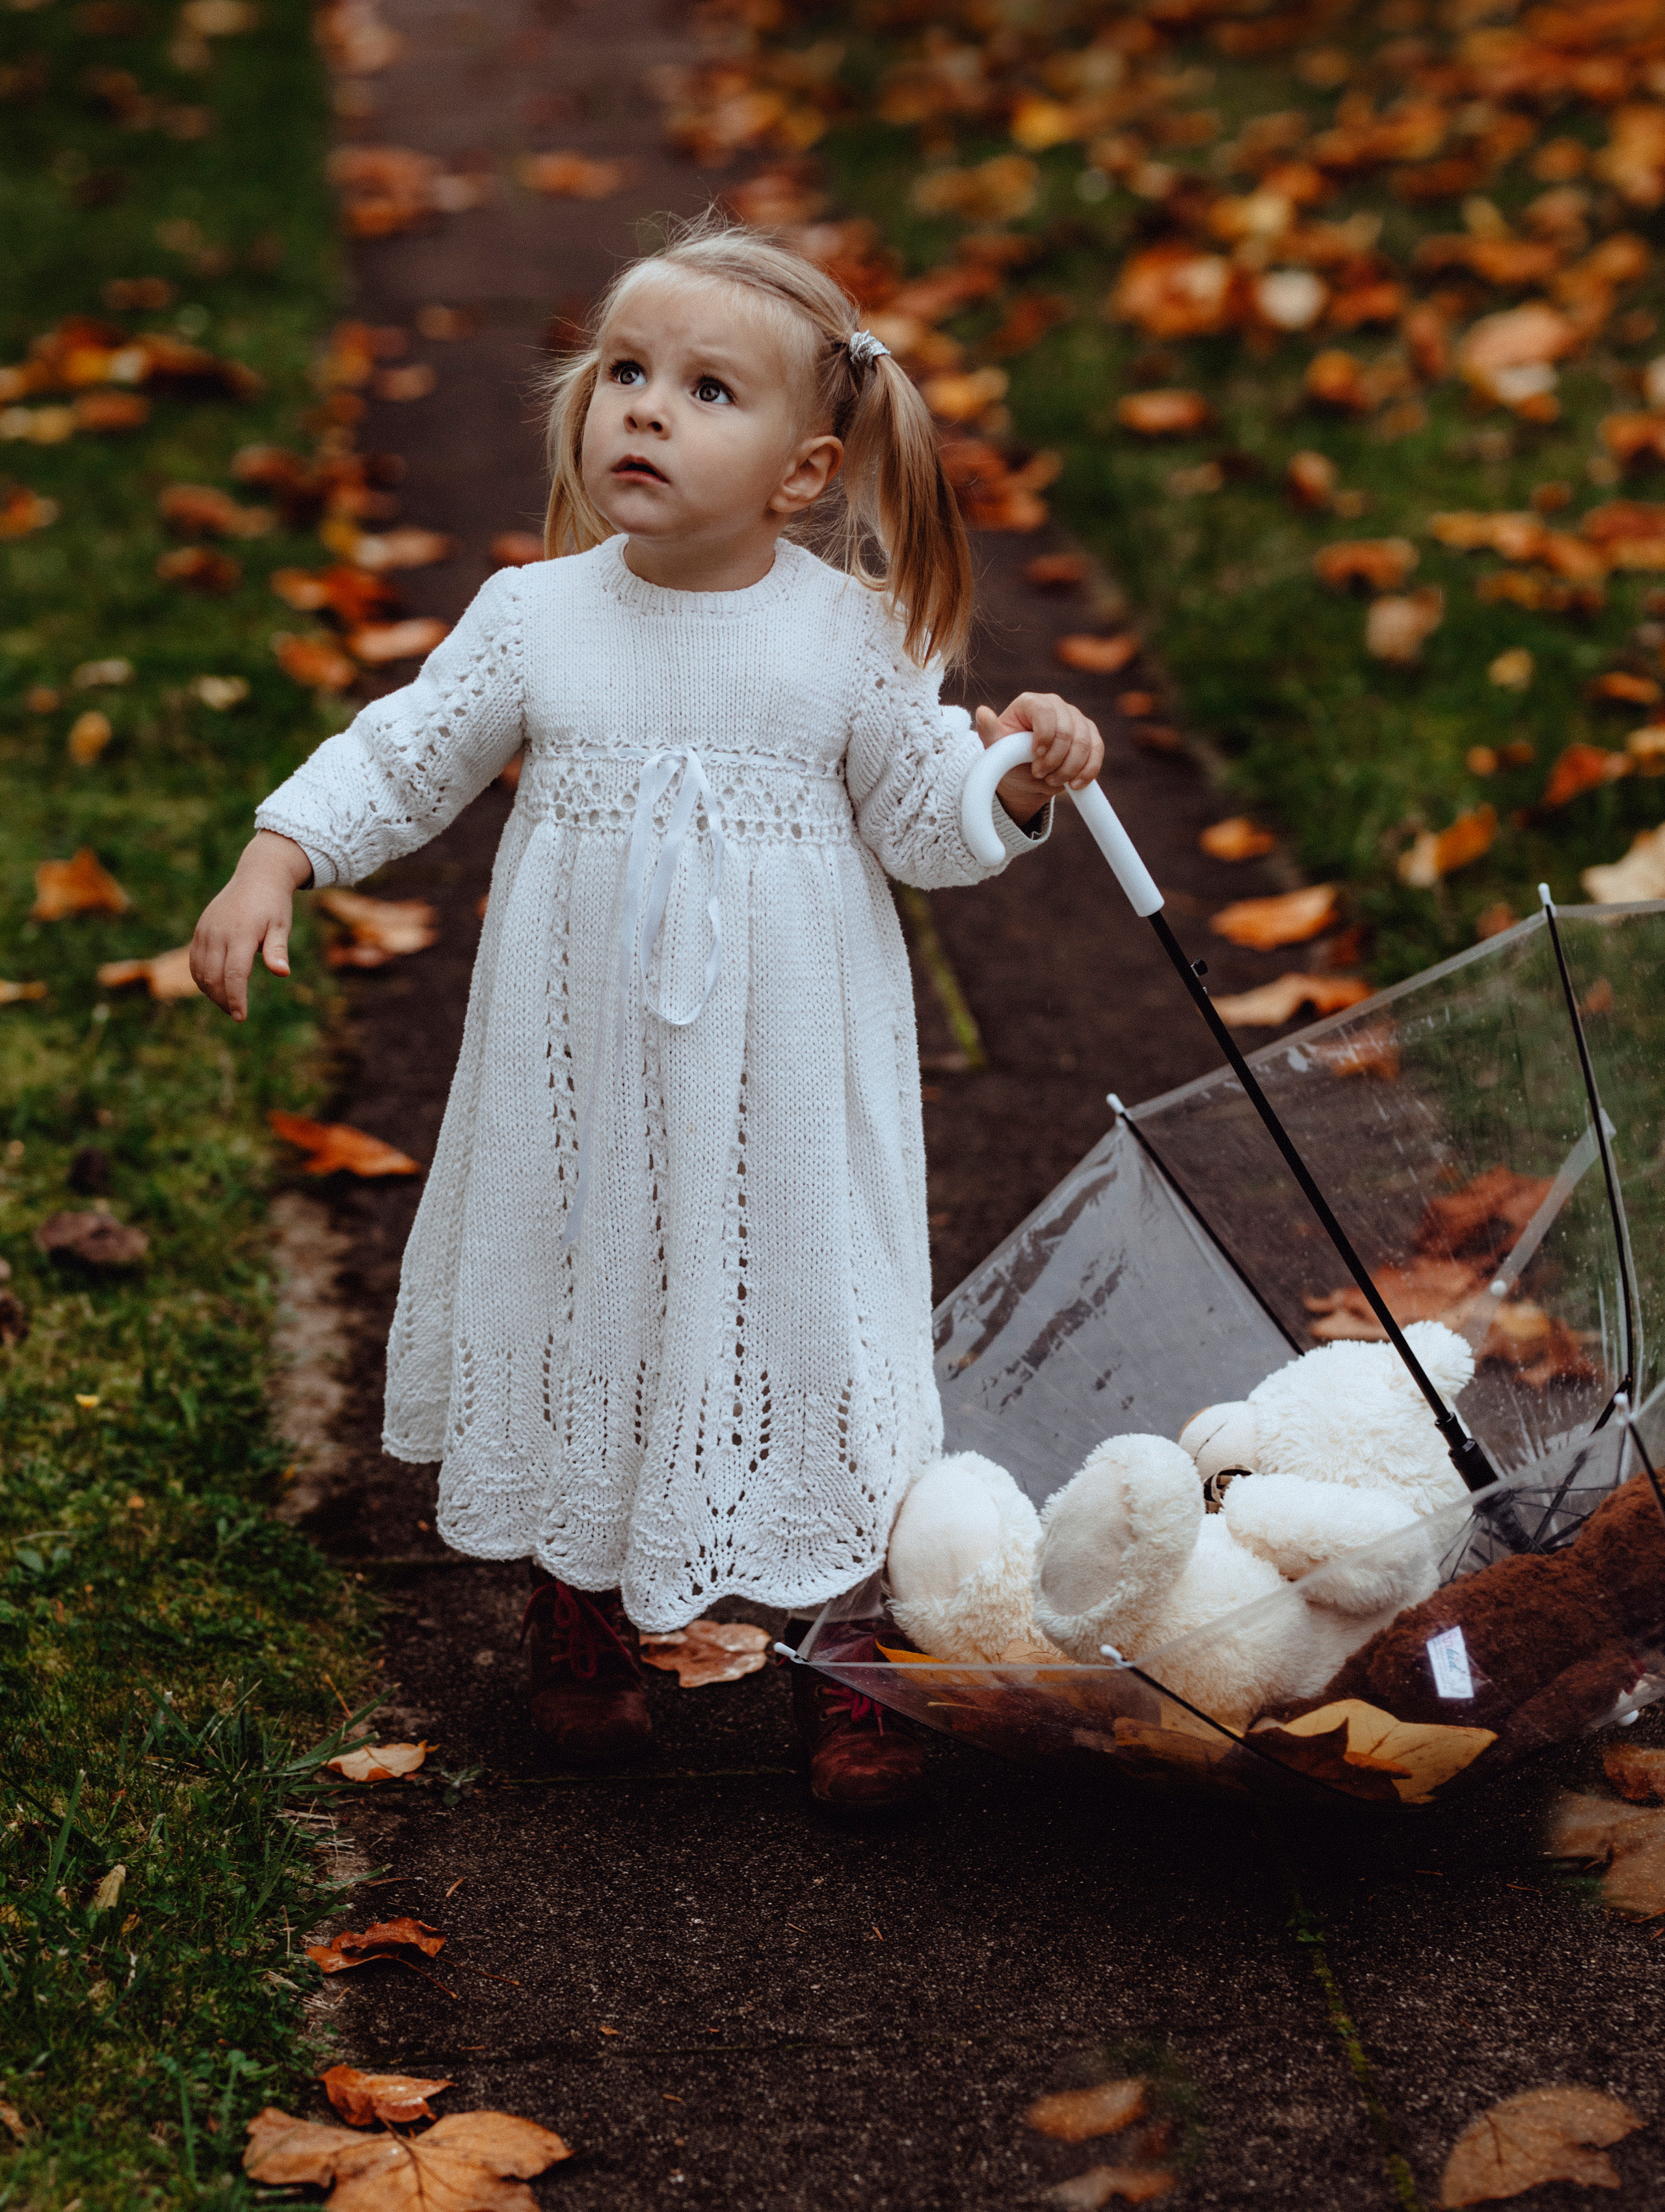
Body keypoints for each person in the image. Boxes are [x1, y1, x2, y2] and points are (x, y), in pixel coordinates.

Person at [191, 213, 1103, 1814]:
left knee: (818, 1305)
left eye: (702, 389)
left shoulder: (849, 637)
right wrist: (282, 850)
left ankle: (850, 1633)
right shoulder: (534, 619)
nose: (643, 409)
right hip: (583, 1075)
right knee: (585, 1279)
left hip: (790, 1081)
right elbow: (405, 752)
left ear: (804, 470)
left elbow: (916, 819)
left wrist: (1011, 779)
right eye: (624, 371)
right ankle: (584, 1598)